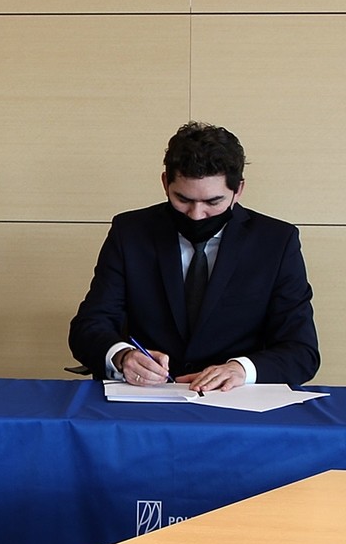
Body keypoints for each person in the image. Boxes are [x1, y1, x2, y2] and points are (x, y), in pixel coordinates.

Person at [69, 121, 319, 393]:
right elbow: (88, 327)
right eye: (183, 199)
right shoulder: (129, 233)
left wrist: (241, 369)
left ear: (238, 191)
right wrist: (122, 356)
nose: (196, 215)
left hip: (235, 399)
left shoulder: (277, 242)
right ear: (165, 183)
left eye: (213, 202)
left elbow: (302, 351)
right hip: (146, 396)